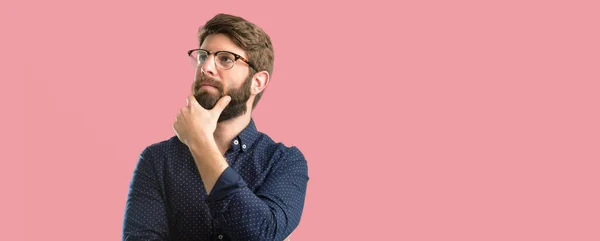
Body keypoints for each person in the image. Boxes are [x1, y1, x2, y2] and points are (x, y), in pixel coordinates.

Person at [122, 13, 309, 241]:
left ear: (257, 82)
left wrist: (200, 143)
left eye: (226, 59)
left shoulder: (283, 162)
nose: (206, 67)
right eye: (202, 57)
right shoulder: (157, 160)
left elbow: (262, 233)